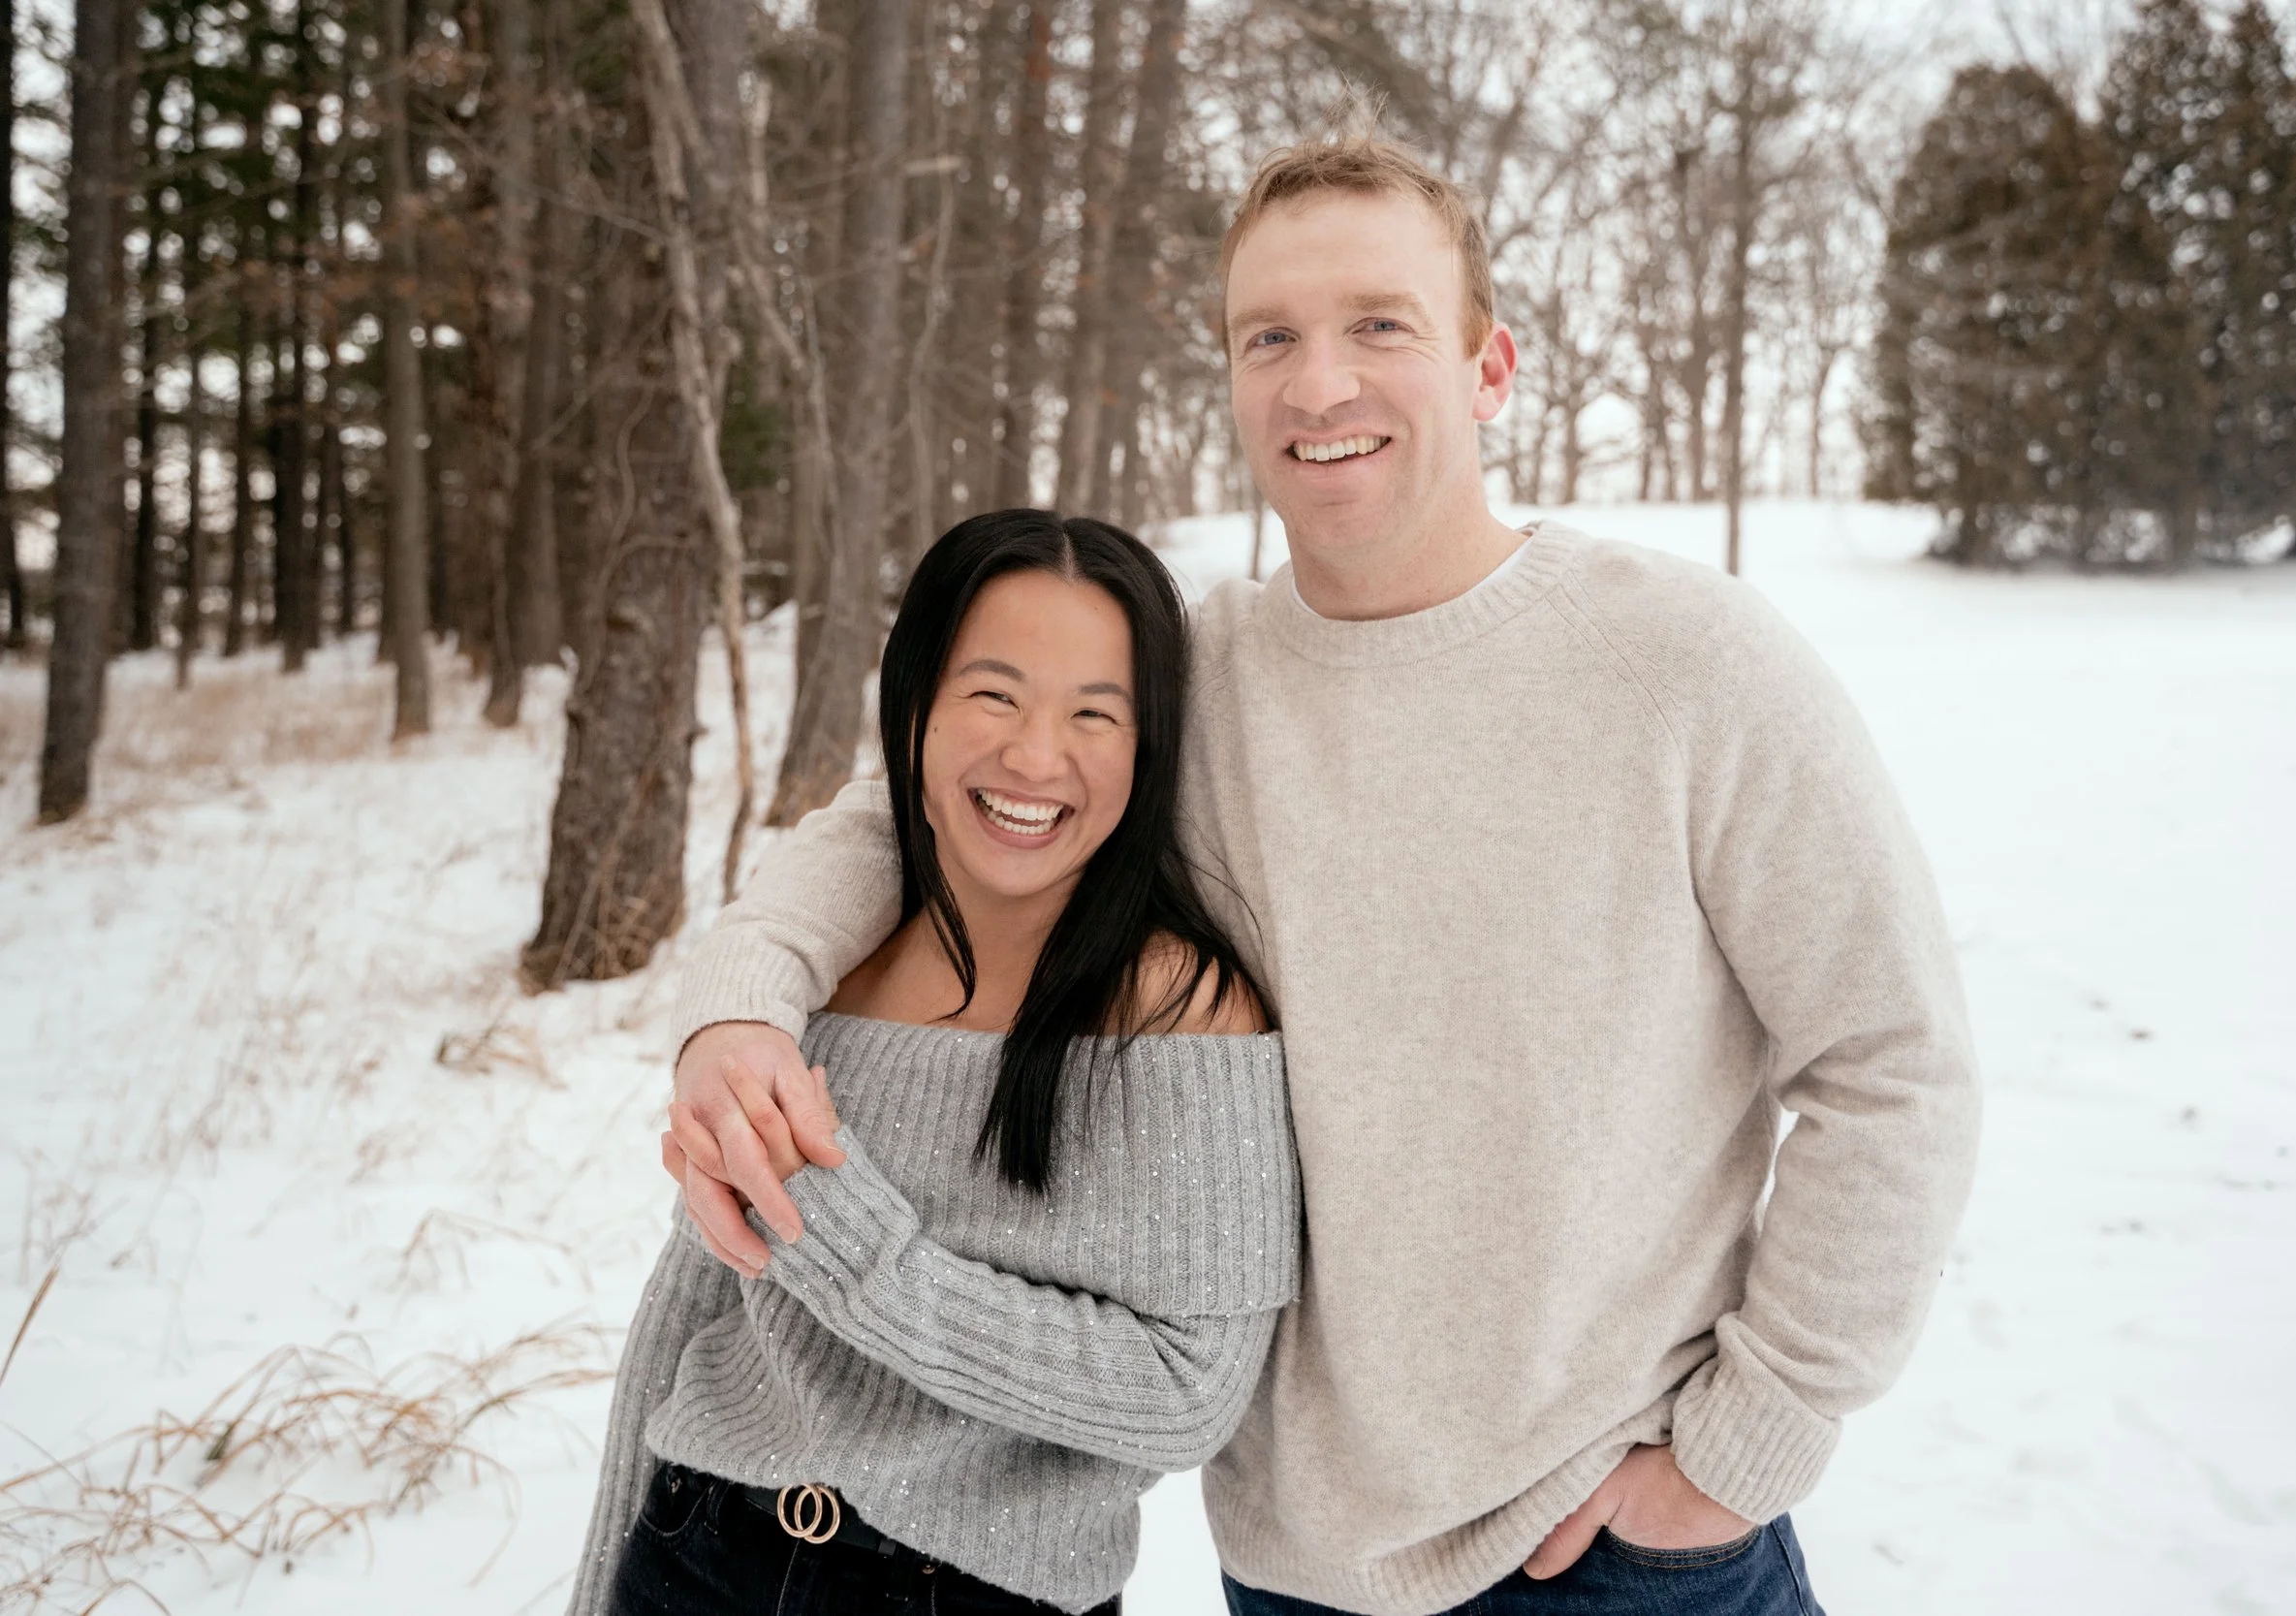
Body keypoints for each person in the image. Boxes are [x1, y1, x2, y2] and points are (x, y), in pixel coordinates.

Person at [660, 129, 1980, 1616]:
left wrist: (1745, 1449)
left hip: (1616, 1553)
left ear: (1490, 369)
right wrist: (739, 1008)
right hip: (1292, 1569)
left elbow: (1895, 1063)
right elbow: (899, 814)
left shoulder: (1689, 661)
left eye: (1380, 325)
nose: (1319, 383)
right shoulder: (1194, 678)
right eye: (1269, 337)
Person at [567, 510, 1295, 1616]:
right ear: (916, 707)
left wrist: (851, 1245)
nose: (1035, 757)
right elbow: (693, 1299)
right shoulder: (823, 970)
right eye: (994, 695)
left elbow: (1184, 1393)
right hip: (697, 1551)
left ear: (1147, 746)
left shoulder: (1181, 1012)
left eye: (1094, 713)